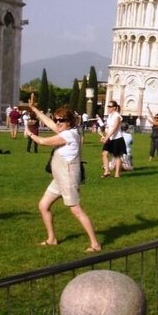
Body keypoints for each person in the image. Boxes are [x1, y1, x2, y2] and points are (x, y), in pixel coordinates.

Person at [26, 102, 101, 252]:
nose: (58, 123)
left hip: (67, 178)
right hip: (59, 178)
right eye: (57, 119)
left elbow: (43, 141)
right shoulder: (66, 130)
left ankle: (95, 244)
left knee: (76, 210)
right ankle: (52, 239)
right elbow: (49, 122)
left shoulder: (69, 134)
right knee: (43, 206)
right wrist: (35, 109)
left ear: (69, 122)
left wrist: (29, 133)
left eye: (61, 120)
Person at [101, 100, 126, 178]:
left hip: (117, 138)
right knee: (104, 154)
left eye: (110, 106)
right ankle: (107, 171)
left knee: (116, 156)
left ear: (114, 108)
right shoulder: (110, 116)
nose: (108, 108)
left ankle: (117, 174)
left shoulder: (117, 116)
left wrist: (107, 137)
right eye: (108, 106)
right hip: (110, 138)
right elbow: (109, 128)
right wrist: (105, 136)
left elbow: (115, 128)